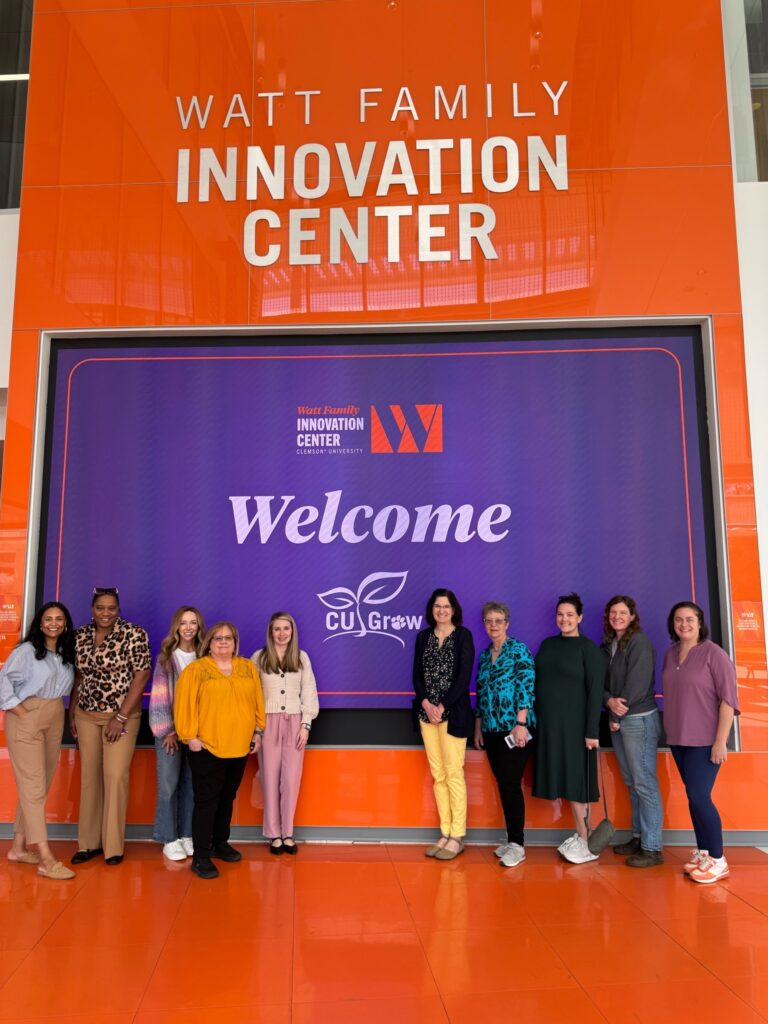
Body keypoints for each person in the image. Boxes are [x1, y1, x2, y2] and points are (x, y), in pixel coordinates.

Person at [174, 621, 265, 879]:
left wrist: (258, 731)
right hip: (207, 747)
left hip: (239, 746)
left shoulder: (248, 668)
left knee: (227, 798)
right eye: (217, 638)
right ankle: (201, 856)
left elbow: (258, 700)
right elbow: (184, 704)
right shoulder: (196, 670)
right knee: (206, 801)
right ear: (209, 643)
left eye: (228, 638)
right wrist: (189, 736)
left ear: (235, 642)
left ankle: (220, 843)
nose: (223, 642)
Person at [70, 588, 151, 866]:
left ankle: (113, 846)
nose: (106, 613)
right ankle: (88, 844)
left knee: (115, 777)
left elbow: (142, 675)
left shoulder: (134, 633)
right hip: (86, 713)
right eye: (101, 608)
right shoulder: (80, 635)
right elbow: (79, 675)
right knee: (90, 778)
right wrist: (72, 710)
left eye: (112, 608)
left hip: (122, 716)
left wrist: (120, 717)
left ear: (119, 609)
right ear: (92, 609)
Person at [662, 601, 740, 884]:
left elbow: (728, 701)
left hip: (705, 741)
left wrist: (721, 741)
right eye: (678, 619)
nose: (684, 624)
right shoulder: (671, 654)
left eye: (689, 619)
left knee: (699, 797)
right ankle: (705, 852)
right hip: (678, 739)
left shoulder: (714, 654)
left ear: (699, 622)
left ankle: (719, 860)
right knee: (693, 797)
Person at [0, 602, 77, 880]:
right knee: (33, 786)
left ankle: (18, 848)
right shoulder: (26, 651)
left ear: (65, 623)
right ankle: (45, 857)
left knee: (39, 785)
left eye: (59, 618)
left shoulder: (65, 653)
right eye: (48, 619)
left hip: (55, 713)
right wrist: (23, 713)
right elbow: (3, 683)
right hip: (27, 716)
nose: (53, 623)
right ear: (40, 623)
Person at [533, 592, 604, 864]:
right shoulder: (548, 644)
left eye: (570, 615)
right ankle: (580, 833)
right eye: (560, 614)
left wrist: (591, 732)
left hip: (577, 729)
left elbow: (595, 694)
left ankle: (587, 842)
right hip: (551, 727)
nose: (564, 619)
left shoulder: (589, 650)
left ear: (580, 618)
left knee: (577, 785)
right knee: (563, 780)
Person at [412, 588, 475, 861]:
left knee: (453, 773)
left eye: (446, 606)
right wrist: (426, 703)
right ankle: (445, 831)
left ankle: (458, 835)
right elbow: (416, 675)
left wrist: (442, 705)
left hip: (453, 715)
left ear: (453, 609)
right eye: (437, 606)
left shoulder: (463, 636)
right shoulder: (423, 637)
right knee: (438, 775)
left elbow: (463, 678)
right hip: (427, 716)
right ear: (432, 609)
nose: (442, 610)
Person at [602, 595, 664, 868]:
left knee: (645, 784)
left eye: (623, 612)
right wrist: (608, 703)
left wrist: (615, 713)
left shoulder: (639, 642)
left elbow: (636, 686)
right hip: (619, 720)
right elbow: (602, 683)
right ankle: (639, 837)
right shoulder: (609, 645)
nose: (617, 616)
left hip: (638, 721)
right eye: (613, 612)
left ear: (632, 616)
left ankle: (653, 848)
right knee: (632, 784)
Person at [473, 601, 536, 869]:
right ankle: (511, 839)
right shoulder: (486, 655)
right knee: (503, 783)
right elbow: (481, 692)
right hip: (491, 728)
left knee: (511, 784)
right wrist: (478, 726)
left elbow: (526, 686)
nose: (494, 625)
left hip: (514, 728)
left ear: (507, 623)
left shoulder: (518, 650)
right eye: (489, 621)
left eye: (498, 620)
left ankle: (518, 846)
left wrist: (520, 723)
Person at [252, 611, 319, 855]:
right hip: (267, 725)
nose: (282, 634)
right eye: (277, 629)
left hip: (295, 725)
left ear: (293, 632)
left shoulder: (301, 658)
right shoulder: (258, 658)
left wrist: (306, 724)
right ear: (271, 632)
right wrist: (257, 730)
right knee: (269, 778)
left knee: (290, 780)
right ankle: (274, 834)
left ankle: (288, 832)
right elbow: (252, 696)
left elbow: (309, 692)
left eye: (286, 629)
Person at [149, 606, 205, 861]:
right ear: (176, 627)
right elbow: (160, 699)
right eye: (183, 622)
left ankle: (186, 835)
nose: (188, 627)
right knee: (169, 786)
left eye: (193, 622)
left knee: (192, 785)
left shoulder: (206, 657)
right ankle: (169, 838)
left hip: (196, 734)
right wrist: (167, 732)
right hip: (170, 734)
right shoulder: (167, 659)